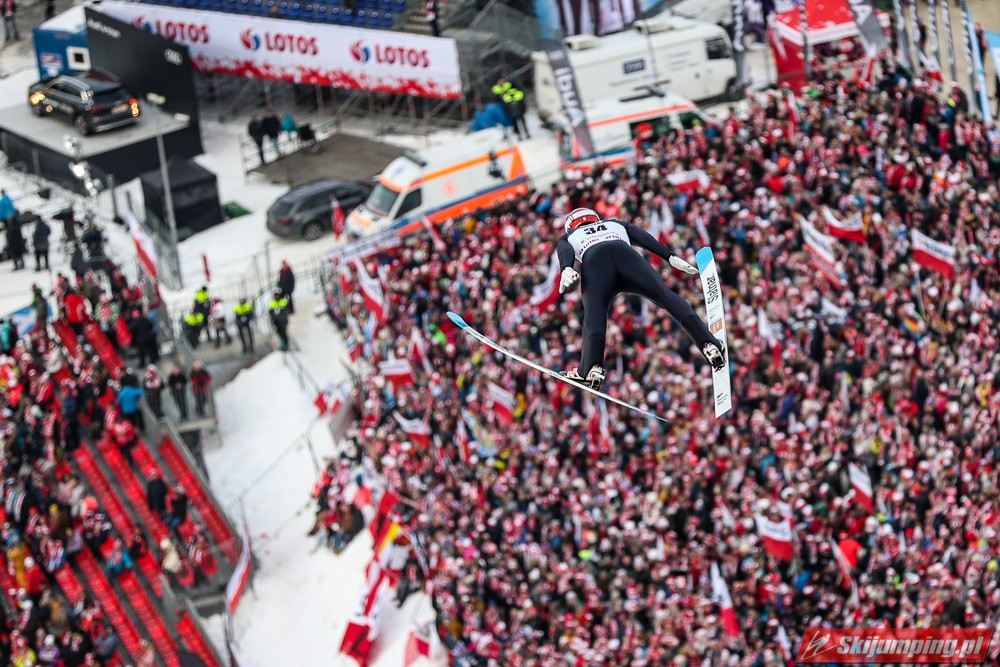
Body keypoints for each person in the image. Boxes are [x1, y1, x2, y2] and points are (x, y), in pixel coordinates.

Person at [555, 207, 725, 389]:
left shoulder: (570, 236)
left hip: (595, 261)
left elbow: (565, 250)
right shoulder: (614, 223)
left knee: (594, 313)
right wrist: (670, 256)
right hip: (626, 256)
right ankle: (708, 343)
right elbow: (644, 238)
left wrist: (566, 267)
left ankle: (591, 367)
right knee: (665, 296)